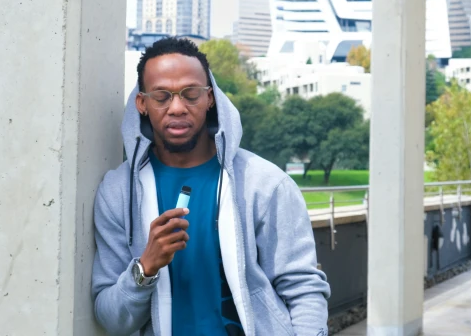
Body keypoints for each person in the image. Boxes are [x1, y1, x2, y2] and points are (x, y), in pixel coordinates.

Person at [92, 37, 330, 336]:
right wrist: (146, 267)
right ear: (142, 103)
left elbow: (303, 288)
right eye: (162, 96)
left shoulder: (265, 184)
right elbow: (110, 318)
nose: (177, 107)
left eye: (190, 94)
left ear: (210, 97)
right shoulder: (117, 192)